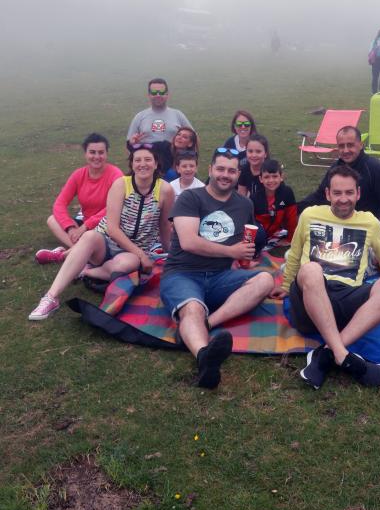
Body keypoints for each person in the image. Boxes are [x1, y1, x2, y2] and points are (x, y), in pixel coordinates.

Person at [271, 165, 380, 390]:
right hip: (309, 299)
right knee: (312, 269)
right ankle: (343, 354)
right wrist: (285, 284)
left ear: (358, 194)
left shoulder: (370, 222)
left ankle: (327, 354)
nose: (344, 199)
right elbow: (294, 253)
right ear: (327, 194)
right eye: (338, 193)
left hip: (347, 304)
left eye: (349, 193)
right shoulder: (310, 215)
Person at [160, 147, 275, 389]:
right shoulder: (191, 198)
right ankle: (205, 358)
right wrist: (231, 252)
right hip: (183, 273)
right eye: (220, 169)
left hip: (221, 276)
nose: (225, 175)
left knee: (265, 280)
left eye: (231, 171)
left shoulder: (244, 205)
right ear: (210, 170)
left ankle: (207, 324)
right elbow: (189, 242)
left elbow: (247, 239)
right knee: (191, 308)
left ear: (237, 174)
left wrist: (245, 257)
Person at [29, 145, 174, 321]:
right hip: (106, 242)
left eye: (148, 160)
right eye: (138, 160)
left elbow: (165, 226)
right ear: (132, 164)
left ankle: (85, 272)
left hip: (132, 251)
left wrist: (171, 254)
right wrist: (142, 256)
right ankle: (51, 297)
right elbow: (112, 229)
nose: (142, 164)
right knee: (89, 237)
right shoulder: (121, 184)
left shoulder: (165, 190)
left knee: (127, 265)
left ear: (156, 163)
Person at [35, 133, 123, 264]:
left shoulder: (116, 175)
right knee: (52, 220)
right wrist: (70, 228)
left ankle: (63, 255)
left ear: (106, 154)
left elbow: (114, 208)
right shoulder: (78, 175)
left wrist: (85, 227)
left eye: (101, 152)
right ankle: (81, 251)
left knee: (92, 236)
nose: (97, 157)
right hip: (85, 225)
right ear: (85, 154)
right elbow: (59, 203)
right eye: (92, 152)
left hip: (108, 226)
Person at [298, 126, 380, 235]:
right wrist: (295, 208)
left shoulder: (375, 169)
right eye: (341, 146)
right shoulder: (335, 168)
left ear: (361, 145)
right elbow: (320, 195)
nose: (346, 150)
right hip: (336, 222)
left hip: (364, 228)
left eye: (350, 145)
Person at [126, 78, 192, 173]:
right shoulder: (140, 117)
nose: (158, 95)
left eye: (161, 92)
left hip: (174, 169)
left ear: (167, 95)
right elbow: (129, 145)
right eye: (154, 92)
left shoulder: (178, 115)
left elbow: (193, 138)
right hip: (147, 168)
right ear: (148, 95)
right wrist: (133, 144)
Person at [251, 159, 298, 243]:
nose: (271, 180)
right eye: (266, 177)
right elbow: (250, 223)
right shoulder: (254, 198)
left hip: (276, 230)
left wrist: (290, 239)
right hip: (261, 232)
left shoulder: (287, 192)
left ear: (281, 177)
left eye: (275, 176)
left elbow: (292, 217)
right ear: (261, 179)